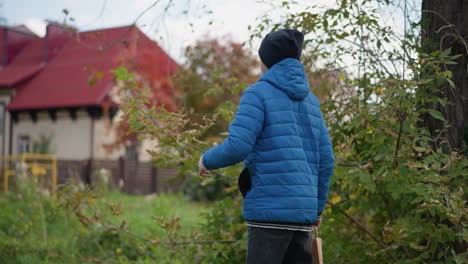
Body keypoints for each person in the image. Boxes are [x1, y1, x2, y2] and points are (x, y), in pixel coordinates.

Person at [198, 29, 335, 264]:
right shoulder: (312, 102)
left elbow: (238, 146)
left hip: (268, 213)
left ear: (266, 59)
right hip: (302, 217)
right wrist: (317, 210)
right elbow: (327, 160)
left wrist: (206, 159)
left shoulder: (257, 94)